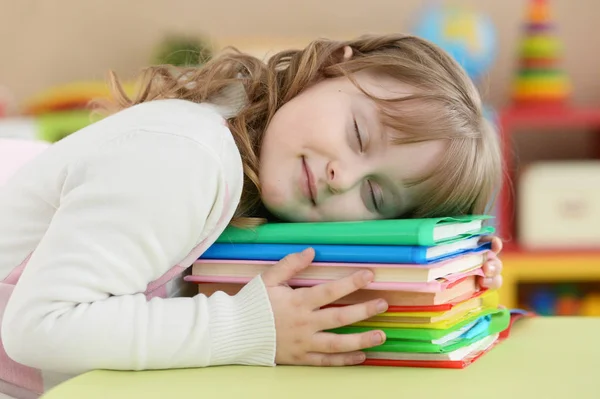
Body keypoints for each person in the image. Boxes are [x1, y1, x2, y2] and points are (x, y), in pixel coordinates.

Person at [0, 33, 503, 399]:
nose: (341, 176)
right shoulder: (187, 155)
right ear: (331, 68)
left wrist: (447, 272)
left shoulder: (257, 180)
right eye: (357, 134)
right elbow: (41, 327)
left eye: (375, 197)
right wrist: (247, 328)